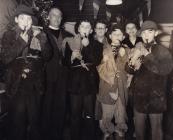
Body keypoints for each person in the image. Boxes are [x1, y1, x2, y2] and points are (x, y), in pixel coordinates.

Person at [1, 5, 52, 140]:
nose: (26, 22)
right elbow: (5, 59)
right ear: (16, 19)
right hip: (17, 85)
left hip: (35, 85)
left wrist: (43, 39)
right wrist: (21, 42)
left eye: (29, 19)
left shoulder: (37, 35)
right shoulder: (9, 35)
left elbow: (47, 56)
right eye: (22, 18)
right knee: (17, 124)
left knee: (35, 123)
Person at [125, 20, 173, 140]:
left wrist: (147, 56)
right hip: (139, 98)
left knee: (156, 131)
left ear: (156, 33)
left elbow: (165, 70)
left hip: (156, 98)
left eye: (150, 32)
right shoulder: (138, 48)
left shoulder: (163, 51)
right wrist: (133, 59)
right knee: (139, 131)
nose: (146, 35)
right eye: (144, 32)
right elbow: (128, 70)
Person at [63, 18, 102, 140]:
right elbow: (64, 63)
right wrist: (71, 58)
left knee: (89, 115)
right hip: (75, 83)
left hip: (90, 83)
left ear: (91, 30)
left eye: (88, 27)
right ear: (78, 29)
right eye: (82, 26)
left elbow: (96, 61)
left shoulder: (97, 44)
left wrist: (88, 46)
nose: (85, 29)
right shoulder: (69, 42)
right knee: (75, 115)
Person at [97, 24, 128, 140]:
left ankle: (120, 132)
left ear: (123, 36)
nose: (117, 36)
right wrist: (103, 61)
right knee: (107, 115)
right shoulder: (103, 48)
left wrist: (124, 56)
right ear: (109, 36)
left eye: (119, 34)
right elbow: (98, 68)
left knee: (121, 115)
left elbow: (130, 69)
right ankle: (107, 132)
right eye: (114, 34)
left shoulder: (127, 49)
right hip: (107, 87)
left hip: (121, 88)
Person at [42, 7, 68, 140]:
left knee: (61, 106)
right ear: (48, 17)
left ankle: (58, 134)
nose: (57, 18)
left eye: (59, 16)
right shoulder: (42, 33)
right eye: (54, 15)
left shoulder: (67, 35)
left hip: (63, 77)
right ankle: (46, 135)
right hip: (47, 76)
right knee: (47, 106)